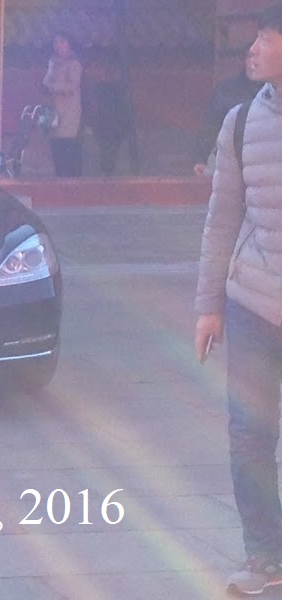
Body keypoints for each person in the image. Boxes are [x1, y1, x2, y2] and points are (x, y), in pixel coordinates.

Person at [194, 2, 282, 594]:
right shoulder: (242, 120)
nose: (253, 50)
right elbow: (222, 217)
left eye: (265, 38)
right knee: (249, 434)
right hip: (254, 303)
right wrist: (209, 306)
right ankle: (266, 560)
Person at [192, 50, 262, 176]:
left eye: (258, 58)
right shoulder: (226, 89)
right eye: (249, 57)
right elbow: (211, 125)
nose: (253, 62)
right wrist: (201, 158)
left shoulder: (276, 90)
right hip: (232, 160)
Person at [42, 31, 84, 177]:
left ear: (69, 44)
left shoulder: (74, 64)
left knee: (67, 144)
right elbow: (46, 81)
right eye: (56, 42)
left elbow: (72, 86)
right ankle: (59, 178)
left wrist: (53, 87)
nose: (58, 46)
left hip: (69, 111)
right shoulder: (53, 62)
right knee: (55, 144)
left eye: (62, 42)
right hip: (52, 110)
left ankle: (71, 179)